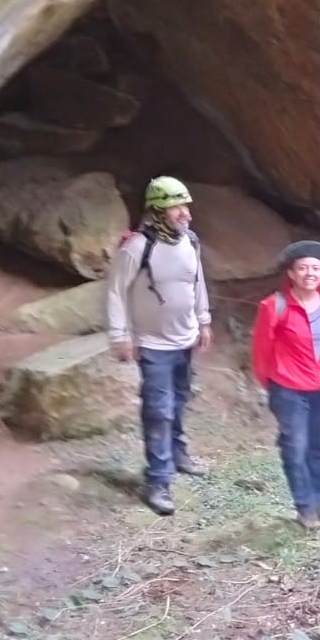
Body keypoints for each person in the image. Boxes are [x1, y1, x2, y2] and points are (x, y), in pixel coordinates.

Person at [106, 176, 212, 517]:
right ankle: (158, 480)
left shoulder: (190, 242)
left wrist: (204, 320)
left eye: (185, 206)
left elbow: (197, 283)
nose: (186, 214)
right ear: (158, 210)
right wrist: (120, 335)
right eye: (177, 207)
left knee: (179, 401)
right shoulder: (138, 247)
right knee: (158, 411)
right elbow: (116, 291)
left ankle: (178, 455)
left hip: (185, 339)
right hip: (153, 345)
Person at [250, 241, 320, 530]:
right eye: (302, 268)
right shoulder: (275, 306)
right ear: (291, 274)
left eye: (315, 268)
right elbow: (261, 351)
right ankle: (305, 506)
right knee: (295, 447)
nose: (309, 273)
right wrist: (273, 383)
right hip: (290, 389)